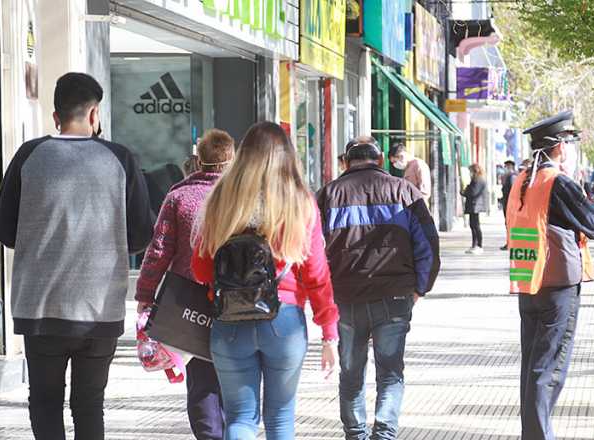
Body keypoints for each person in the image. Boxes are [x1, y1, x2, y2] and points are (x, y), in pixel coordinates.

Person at [0, 72, 155, 440]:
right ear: (94, 114)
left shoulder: (28, 156)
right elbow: (140, 235)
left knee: (45, 402)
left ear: (56, 116)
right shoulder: (120, 158)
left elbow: (5, 231)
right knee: (89, 404)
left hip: (40, 309)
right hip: (99, 309)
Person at [191, 122, 339, 440]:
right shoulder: (300, 203)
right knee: (280, 418)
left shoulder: (220, 200)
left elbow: (201, 270)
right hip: (284, 322)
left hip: (229, 319)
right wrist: (329, 333)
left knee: (240, 418)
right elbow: (316, 275)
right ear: (287, 157)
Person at [316, 136, 440, 440]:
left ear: (345, 163)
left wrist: (321, 298)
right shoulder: (404, 192)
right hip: (395, 295)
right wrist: (419, 288)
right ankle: (384, 434)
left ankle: (355, 434)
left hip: (345, 298)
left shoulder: (328, 195)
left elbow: (313, 252)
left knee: (351, 373)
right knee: (390, 372)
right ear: (381, 160)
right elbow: (428, 245)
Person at [507, 111, 594, 440]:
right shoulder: (558, 183)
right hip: (558, 284)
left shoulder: (522, 180)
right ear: (561, 147)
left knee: (532, 365)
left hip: (528, 280)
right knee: (549, 367)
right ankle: (539, 435)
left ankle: (533, 432)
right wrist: (589, 190)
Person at [135, 129, 235, 440]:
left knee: (202, 379)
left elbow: (159, 250)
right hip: (240, 302)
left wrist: (145, 295)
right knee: (237, 377)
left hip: (192, 303)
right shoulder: (242, 196)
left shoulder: (179, 196)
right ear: (232, 160)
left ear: (199, 161)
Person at [463, 164, 489, 254]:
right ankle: (474, 245)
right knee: (473, 225)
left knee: (476, 226)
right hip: (474, 205)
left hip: (475, 205)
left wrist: (465, 191)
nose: (470, 173)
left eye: (471, 171)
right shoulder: (477, 179)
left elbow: (473, 192)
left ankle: (479, 245)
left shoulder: (478, 180)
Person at [500, 160, 518, 250]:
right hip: (507, 203)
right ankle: (509, 243)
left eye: (507, 166)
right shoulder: (507, 176)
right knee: (508, 224)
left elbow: (513, 191)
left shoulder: (512, 176)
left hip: (510, 204)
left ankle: (511, 243)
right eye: (505, 166)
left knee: (511, 224)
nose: (506, 168)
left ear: (511, 167)